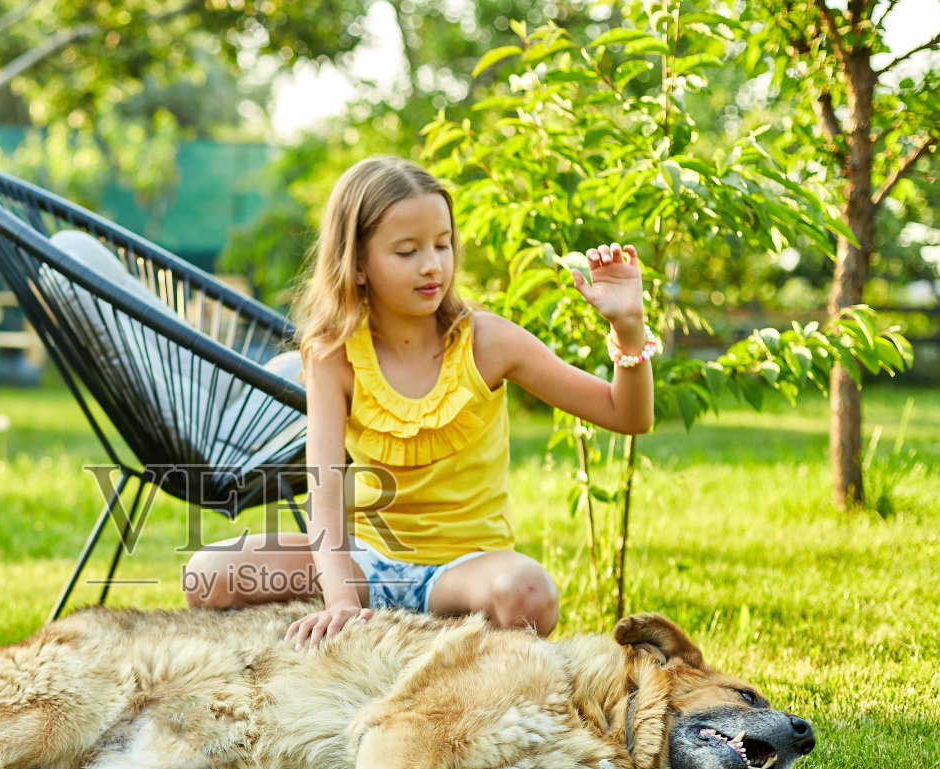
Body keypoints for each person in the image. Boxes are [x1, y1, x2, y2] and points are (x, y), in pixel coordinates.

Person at [181, 155, 653, 648]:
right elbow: (324, 490)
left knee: (529, 592)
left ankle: (433, 636)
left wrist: (629, 328)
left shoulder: (488, 342)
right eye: (407, 251)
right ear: (357, 265)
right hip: (366, 563)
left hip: (464, 572)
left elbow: (627, 414)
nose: (432, 265)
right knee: (208, 573)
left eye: (442, 245)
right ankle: (387, 631)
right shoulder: (334, 355)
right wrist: (341, 600)